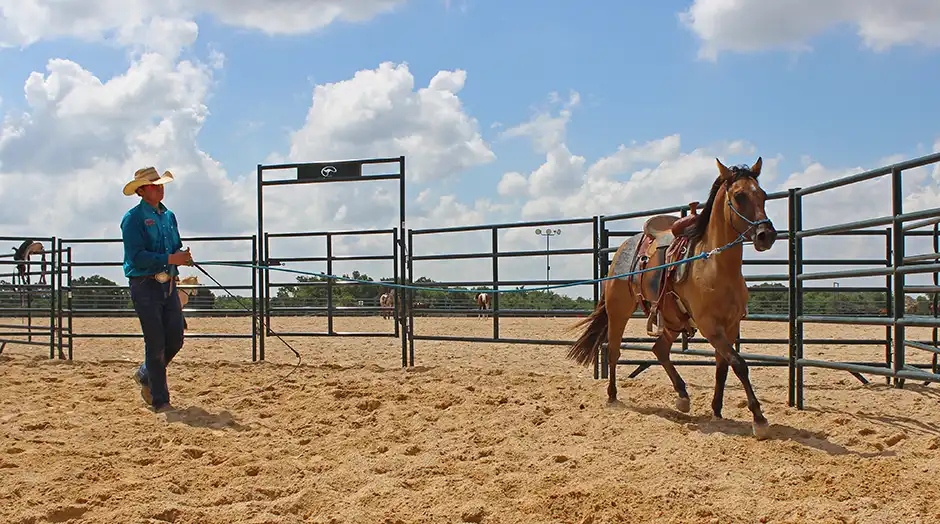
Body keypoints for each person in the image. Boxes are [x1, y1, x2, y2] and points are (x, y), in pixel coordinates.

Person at [120, 166, 193, 412]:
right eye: (154, 185)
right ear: (141, 190)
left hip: (168, 283)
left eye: (160, 184)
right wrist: (171, 259)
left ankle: (145, 373)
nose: (159, 189)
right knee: (156, 342)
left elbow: (175, 245)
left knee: (176, 339)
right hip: (145, 284)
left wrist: (182, 257)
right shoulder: (133, 219)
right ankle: (160, 400)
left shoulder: (168, 216)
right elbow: (136, 257)